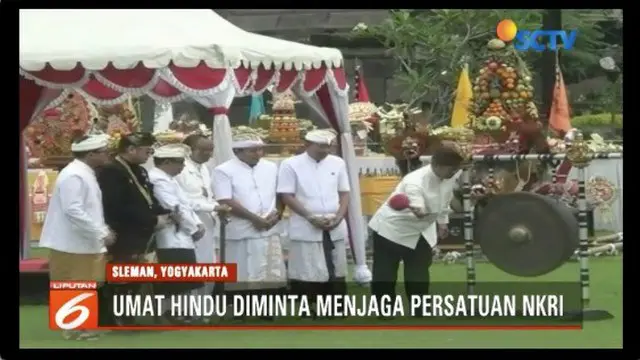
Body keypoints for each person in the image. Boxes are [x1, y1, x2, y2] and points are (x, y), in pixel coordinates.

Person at [368, 146, 464, 310]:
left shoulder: (450, 176)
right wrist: (419, 209)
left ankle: (420, 308)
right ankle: (384, 310)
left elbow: (445, 199)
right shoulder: (414, 181)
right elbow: (417, 204)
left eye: (456, 169)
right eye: (452, 169)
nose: (454, 172)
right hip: (392, 229)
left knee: (419, 270)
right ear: (438, 166)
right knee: (386, 271)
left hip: (421, 230)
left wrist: (442, 222)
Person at [39, 134, 113, 340]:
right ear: (91, 154)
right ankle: (83, 328)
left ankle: (73, 327)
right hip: (73, 241)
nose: (107, 155)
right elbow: (73, 210)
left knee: (78, 282)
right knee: (79, 282)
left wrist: (100, 230)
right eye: (104, 152)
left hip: (80, 240)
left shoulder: (83, 173)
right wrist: (100, 231)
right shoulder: (74, 175)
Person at [97, 132, 171, 326]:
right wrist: (152, 220)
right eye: (147, 151)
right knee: (123, 277)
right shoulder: (111, 171)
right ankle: (116, 318)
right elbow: (115, 206)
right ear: (131, 149)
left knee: (138, 276)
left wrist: (164, 212)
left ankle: (129, 315)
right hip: (123, 231)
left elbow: (147, 199)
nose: (150, 155)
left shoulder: (140, 170)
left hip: (142, 231)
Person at [213, 134, 287, 320]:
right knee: (241, 269)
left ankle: (266, 309)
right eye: (253, 150)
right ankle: (240, 310)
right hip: (241, 228)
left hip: (269, 226)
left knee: (270, 268)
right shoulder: (223, 170)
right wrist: (254, 219)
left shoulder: (270, 167)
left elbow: (280, 194)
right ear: (237, 151)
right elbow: (225, 199)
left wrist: (276, 214)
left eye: (260, 149)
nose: (258, 153)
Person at [277, 129, 350, 304]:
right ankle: (310, 308)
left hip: (334, 223)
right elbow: (286, 195)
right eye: (321, 147)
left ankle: (335, 307)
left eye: (328, 147)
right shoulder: (290, 164)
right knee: (307, 267)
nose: (325, 150)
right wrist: (310, 217)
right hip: (306, 224)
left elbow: (345, 192)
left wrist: (339, 216)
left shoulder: (337, 163)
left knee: (336, 265)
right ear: (307, 145)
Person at [149, 143, 206, 324]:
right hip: (169, 234)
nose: (183, 167)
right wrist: (194, 228)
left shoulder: (169, 178)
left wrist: (197, 224)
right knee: (174, 276)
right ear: (166, 162)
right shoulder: (157, 180)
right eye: (180, 163)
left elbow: (186, 203)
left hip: (182, 234)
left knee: (184, 274)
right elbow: (172, 207)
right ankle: (171, 313)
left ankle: (183, 312)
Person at [176, 134, 227, 298]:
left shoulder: (204, 167)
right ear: (190, 150)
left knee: (209, 264)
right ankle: (188, 308)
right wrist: (213, 207)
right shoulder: (181, 170)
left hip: (209, 222)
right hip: (190, 223)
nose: (209, 154)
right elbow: (184, 200)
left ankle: (205, 307)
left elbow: (208, 194)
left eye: (211, 150)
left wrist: (216, 210)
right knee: (194, 266)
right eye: (204, 150)